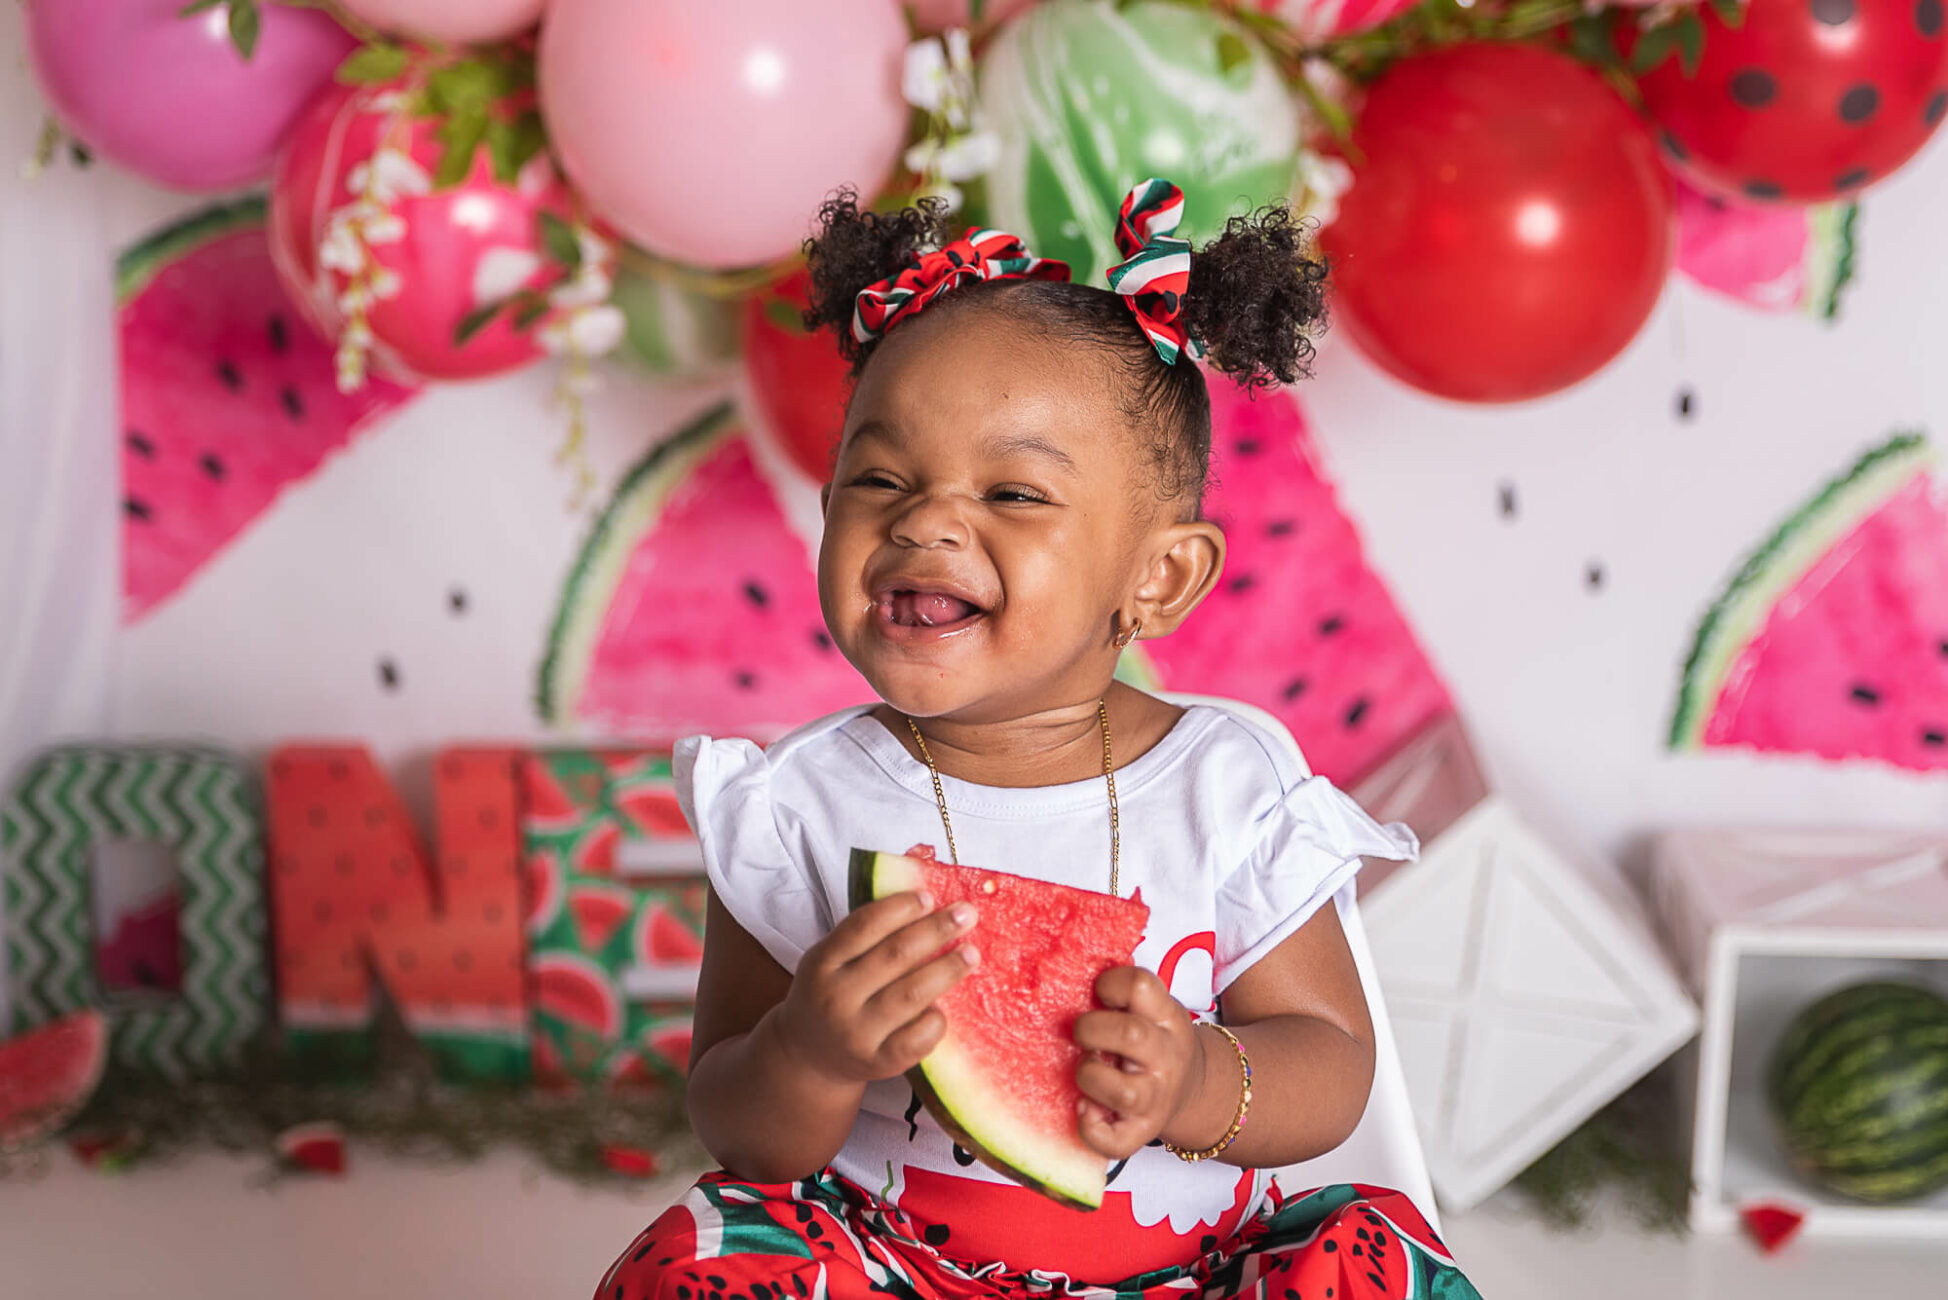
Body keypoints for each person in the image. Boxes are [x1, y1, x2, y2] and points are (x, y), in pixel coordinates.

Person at [597, 179, 1480, 1300]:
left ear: (1157, 578)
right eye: (878, 478)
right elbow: (741, 1130)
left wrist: (1202, 1079)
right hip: (899, 1271)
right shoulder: (797, 803)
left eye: (1013, 490)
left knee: (1376, 1264)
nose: (925, 519)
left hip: (1193, 1277)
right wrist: (807, 1053)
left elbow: (1331, 1060)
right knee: (701, 1258)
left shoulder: (1226, 784)